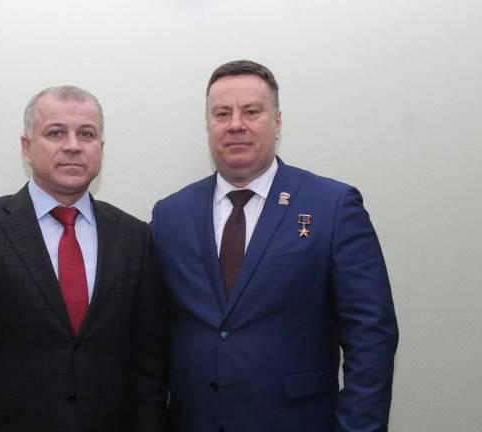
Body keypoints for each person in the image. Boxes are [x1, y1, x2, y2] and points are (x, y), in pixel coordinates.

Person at [151, 60, 399, 431]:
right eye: (222, 113)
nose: (236, 124)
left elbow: (371, 335)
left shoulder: (332, 207)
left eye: (251, 112)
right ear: (208, 125)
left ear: (277, 123)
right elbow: (152, 335)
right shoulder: (170, 216)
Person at [0, 85, 167, 432]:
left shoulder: (134, 237)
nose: (73, 145)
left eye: (87, 134)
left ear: (100, 148)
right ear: (27, 147)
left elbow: (150, 369)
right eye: (56, 133)